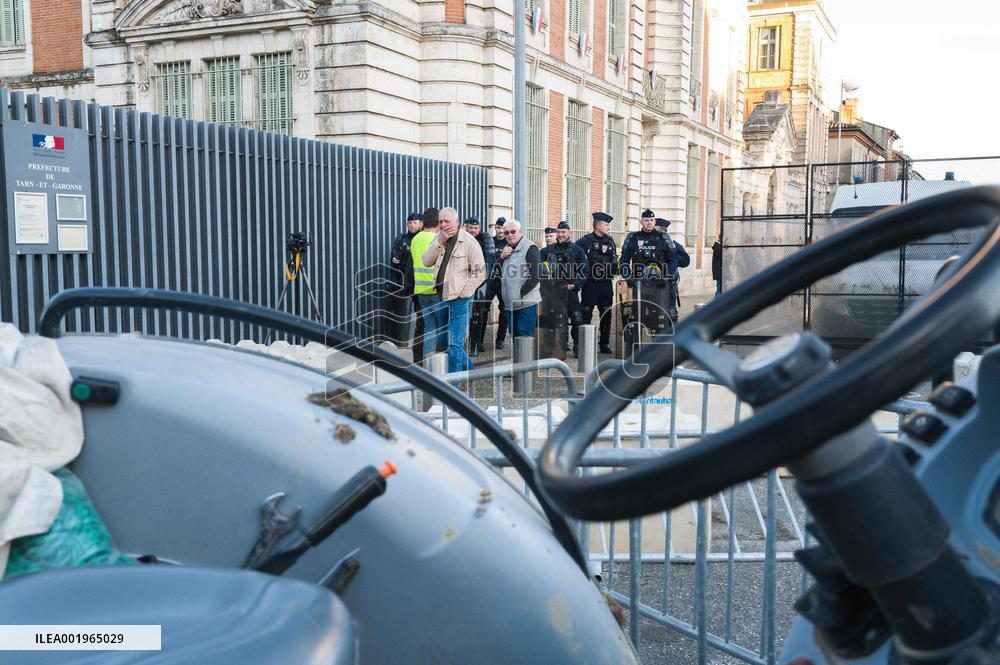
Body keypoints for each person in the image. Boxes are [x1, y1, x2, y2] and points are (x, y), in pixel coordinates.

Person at [421, 207, 486, 372]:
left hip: (460, 300)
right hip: (442, 297)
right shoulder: (439, 238)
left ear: (457, 222)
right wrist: (439, 241)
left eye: (447, 221)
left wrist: (464, 292)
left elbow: (480, 272)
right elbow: (426, 261)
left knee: (453, 343)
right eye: (440, 221)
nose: (443, 225)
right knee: (443, 341)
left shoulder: (469, 242)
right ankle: (471, 372)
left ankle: (455, 385)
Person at [620, 212, 690, 338]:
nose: (649, 222)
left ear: (654, 221)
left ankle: (665, 347)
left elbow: (674, 259)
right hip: (640, 285)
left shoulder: (664, 238)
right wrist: (628, 277)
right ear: (641, 221)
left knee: (664, 317)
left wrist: (667, 275)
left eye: (651, 220)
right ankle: (638, 348)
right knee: (639, 316)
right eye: (646, 220)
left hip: (661, 286)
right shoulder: (633, 238)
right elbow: (624, 261)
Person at [540, 221, 588, 356]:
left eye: (563, 232)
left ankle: (577, 347)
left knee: (577, 318)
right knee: (555, 320)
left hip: (570, 290)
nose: (561, 235)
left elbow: (585, 270)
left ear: (569, 233)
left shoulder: (576, 250)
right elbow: (537, 270)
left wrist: (574, 285)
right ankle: (557, 346)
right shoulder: (547, 251)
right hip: (553, 291)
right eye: (559, 232)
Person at [576, 211, 618, 354]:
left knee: (606, 313)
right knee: (586, 313)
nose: (608, 228)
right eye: (606, 225)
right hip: (590, 284)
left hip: (606, 283)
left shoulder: (610, 240)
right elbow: (575, 258)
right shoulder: (584, 241)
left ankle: (604, 344)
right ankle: (584, 344)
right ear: (598, 225)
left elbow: (614, 258)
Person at [386, 212, 424, 355]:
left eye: (415, 223)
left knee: (419, 319)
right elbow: (394, 262)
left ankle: (416, 349)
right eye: (410, 223)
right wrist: (393, 281)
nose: (412, 225)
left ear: (420, 223)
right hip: (404, 285)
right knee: (403, 317)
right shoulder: (402, 240)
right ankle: (401, 346)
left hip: (421, 285)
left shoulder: (423, 238)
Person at [498, 219, 541, 339]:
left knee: (524, 338)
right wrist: (501, 257)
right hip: (510, 304)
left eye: (513, 231)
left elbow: (535, 275)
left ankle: (527, 359)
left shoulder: (530, 248)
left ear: (520, 231)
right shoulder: (506, 249)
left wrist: (521, 293)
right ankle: (519, 359)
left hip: (525, 303)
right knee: (514, 336)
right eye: (506, 233)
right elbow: (496, 272)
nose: (510, 235)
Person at [411, 207, 444, 363]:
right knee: (444, 330)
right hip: (436, 291)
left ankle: (428, 367)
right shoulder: (436, 240)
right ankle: (445, 368)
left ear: (423, 222)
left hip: (421, 291)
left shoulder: (415, 239)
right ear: (437, 224)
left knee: (429, 330)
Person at [464, 215, 495, 357]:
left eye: (476, 228)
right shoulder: (461, 237)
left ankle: (475, 345)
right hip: (462, 281)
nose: (473, 230)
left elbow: (489, 260)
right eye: (471, 227)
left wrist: (480, 281)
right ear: (466, 226)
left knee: (478, 314)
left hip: (480, 281)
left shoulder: (485, 239)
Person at [491, 217, 510, 349]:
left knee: (504, 310)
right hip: (491, 280)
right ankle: (478, 342)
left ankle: (500, 339)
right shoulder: (490, 242)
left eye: (503, 228)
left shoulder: (510, 243)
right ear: (495, 228)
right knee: (483, 308)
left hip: (504, 281)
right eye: (498, 227)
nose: (501, 231)